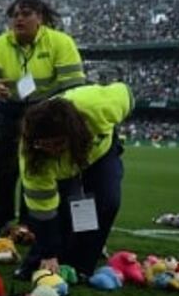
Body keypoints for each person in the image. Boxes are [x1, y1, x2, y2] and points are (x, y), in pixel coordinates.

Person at [0, 0, 85, 236]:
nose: (19, 19)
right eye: (14, 15)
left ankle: (30, 222)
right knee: (3, 166)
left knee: (34, 167)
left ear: (40, 17)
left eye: (26, 14)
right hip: (11, 111)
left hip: (47, 112)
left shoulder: (60, 42)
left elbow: (74, 87)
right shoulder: (0, 43)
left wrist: (55, 118)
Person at [16, 82, 132, 280]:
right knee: (62, 211)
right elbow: (43, 210)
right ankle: (40, 259)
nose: (52, 150)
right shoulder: (32, 156)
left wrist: (111, 130)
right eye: (45, 144)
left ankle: (82, 265)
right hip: (63, 169)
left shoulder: (100, 106)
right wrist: (49, 253)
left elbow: (127, 94)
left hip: (99, 153)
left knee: (106, 201)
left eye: (57, 143)